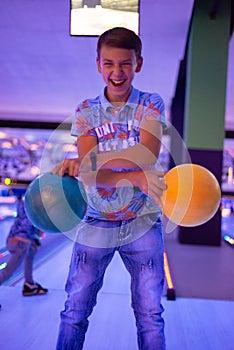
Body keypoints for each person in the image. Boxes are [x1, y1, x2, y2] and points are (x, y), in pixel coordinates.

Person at [54, 27, 167, 349]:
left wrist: (94, 162)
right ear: (98, 64)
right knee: (74, 311)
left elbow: (147, 154)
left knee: (150, 315)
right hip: (95, 221)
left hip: (143, 221)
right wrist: (137, 178)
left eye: (125, 64)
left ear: (138, 64)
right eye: (109, 64)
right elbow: (89, 175)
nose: (117, 72)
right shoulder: (86, 109)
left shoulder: (150, 102)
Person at [0, 194, 48, 302]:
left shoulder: (24, 204)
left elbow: (23, 223)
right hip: (21, 244)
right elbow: (40, 233)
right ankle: (29, 284)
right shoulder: (41, 211)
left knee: (31, 251)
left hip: (12, 239)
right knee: (7, 272)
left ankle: (29, 284)